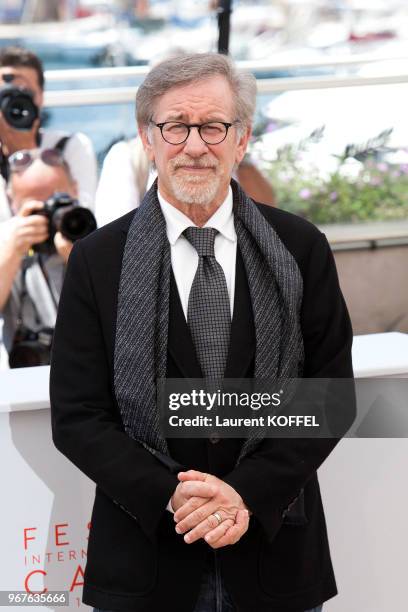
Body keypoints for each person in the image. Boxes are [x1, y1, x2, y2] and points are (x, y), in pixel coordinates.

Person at [50, 53, 354, 612]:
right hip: (146, 563)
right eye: (175, 126)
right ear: (149, 137)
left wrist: (246, 494)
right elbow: (78, 416)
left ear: (241, 139)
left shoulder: (301, 248)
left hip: (274, 554)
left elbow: (331, 398)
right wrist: (175, 498)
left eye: (213, 126)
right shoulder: (97, 261)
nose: (194, 145)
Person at [0, 45, 97, 222]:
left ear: (41, 97)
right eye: (4, 96)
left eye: (24, 94)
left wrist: (26, 151)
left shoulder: (71, 147)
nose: (13, 105)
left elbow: (82, 222)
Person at [0, 156, 77, 363]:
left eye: (59, 202)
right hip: (27, 382)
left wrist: (79, 262)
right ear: (12, 204)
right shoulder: (6, 244)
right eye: (40, 210)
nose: (53, 217)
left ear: (75, 189)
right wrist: (13, 251)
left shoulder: (104, 238)